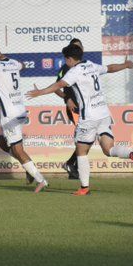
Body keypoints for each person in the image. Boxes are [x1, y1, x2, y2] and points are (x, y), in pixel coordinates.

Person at [27, 44, 133, 196]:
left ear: (70, 59)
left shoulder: (74, 72)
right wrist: (125, 65)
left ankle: (84, 188)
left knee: (81, 151)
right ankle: (131, 153)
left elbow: (58, 84)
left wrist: (39, 92)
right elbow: (109, 68)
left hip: (89, 117)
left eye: (66, 59)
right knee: (108, 149)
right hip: (103, 114)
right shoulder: (91, 65)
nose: (66, 61)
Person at [0, 50, 48, 193]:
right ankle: (28, 167)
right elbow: (23, 66)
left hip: (10, 114)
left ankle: (40, 179)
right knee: (2, 142)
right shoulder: (11, 62)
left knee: (18, 150)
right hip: (20, 110)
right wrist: (4, 57)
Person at [55, 39, 83, 180]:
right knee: (84, 137)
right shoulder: (66, 67)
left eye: (79, 46)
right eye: (75, 47)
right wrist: (68, 99)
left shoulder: (85, 66)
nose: (78, 48)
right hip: (74, 109)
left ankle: (72, 167)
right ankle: (71, 164)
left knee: (87, 138)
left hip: (86, 109)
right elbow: (56, 88)